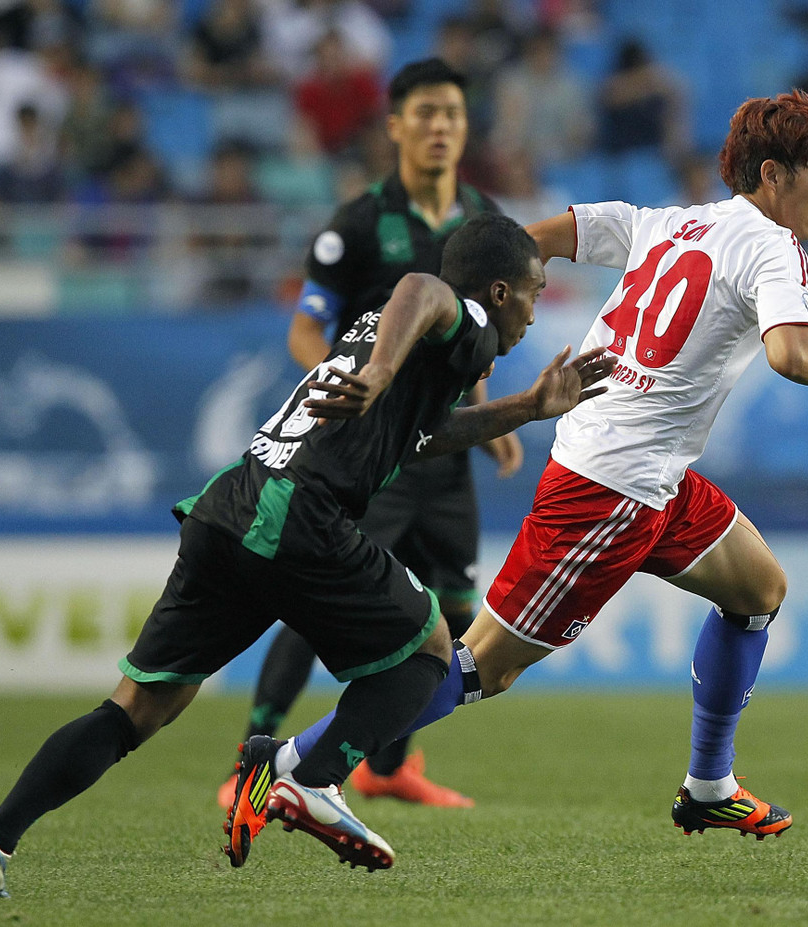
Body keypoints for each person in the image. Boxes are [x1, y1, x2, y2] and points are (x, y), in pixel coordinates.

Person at [235, 88, 808, 867]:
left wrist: (464, 296)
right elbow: (790, 354)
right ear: (774, 173)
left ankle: (709, 784)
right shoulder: (775, 248)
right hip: (610, 487)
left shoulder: (672, 222)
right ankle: (296, 765)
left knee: (760, 590)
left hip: (652, 475)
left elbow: (539, 238)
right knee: (483, 666)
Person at [0, 211, 617, 898]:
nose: (538, 313)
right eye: (537, 291)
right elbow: (423, 285)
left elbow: (421, 435)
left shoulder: (411, 341)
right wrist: (384, 371)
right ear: (501, 291)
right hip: (297, 512)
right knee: (430, 650)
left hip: (229, 506)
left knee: (137, 709)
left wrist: (528, 407)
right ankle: (308, 775)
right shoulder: (466, 316)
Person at [216, 57, 522, 813]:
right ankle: (248, 755)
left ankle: (390, 765)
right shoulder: (356, 224)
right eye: (425, 113)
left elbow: (475, 330)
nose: (441, 127)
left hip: (441, 452)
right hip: (370, 457)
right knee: (322, 602)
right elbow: (306, 328)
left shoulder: (481, 215)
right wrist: (341, 394)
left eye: (453, 112)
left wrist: (492, 415)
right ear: (395, 126)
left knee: (450, 611)